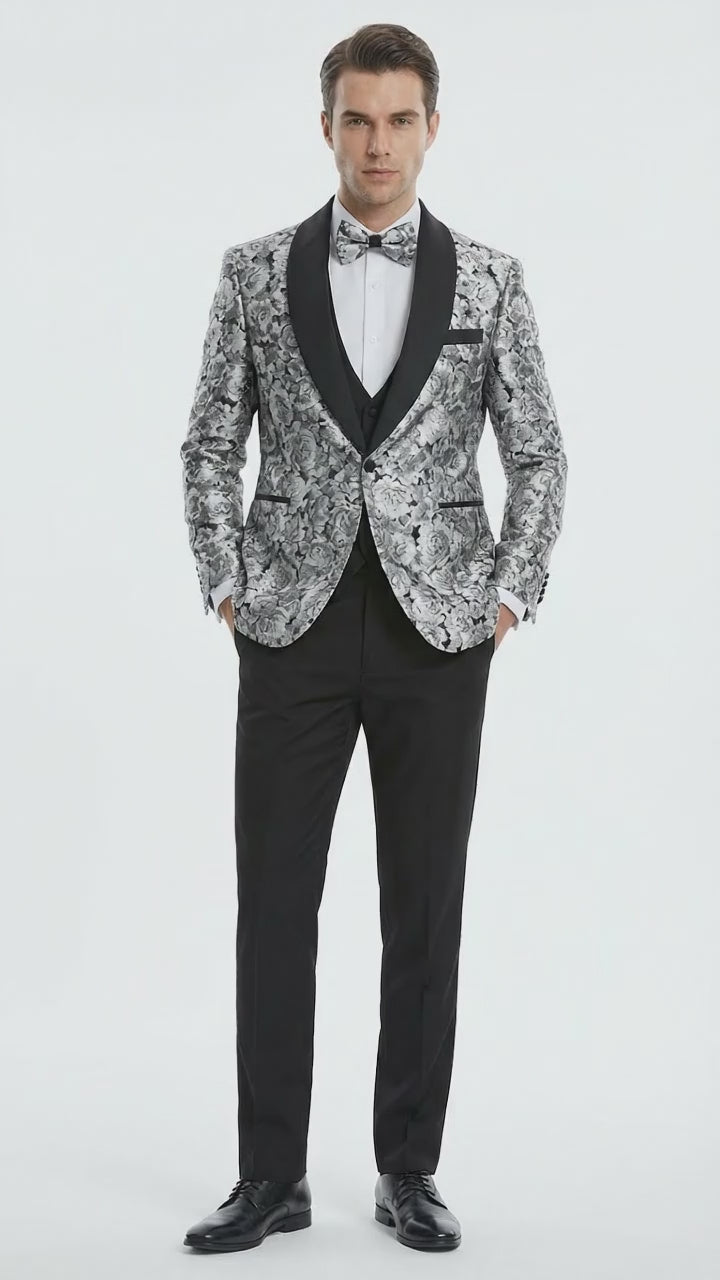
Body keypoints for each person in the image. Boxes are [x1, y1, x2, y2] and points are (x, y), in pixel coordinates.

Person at [180, 21, 568, 1254]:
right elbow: (209, 441)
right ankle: (269, 1174)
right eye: (358, 118)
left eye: (401, 119)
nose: (379, 142)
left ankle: (409, 1167)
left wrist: (508, 595)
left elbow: (538, 450)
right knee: (273, 904)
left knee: (425, 907)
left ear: (432, 127)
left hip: (437, 633)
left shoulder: (491, 280)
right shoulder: (254, 273)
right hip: (289, 625)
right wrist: (229, 584)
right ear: (327, 126)